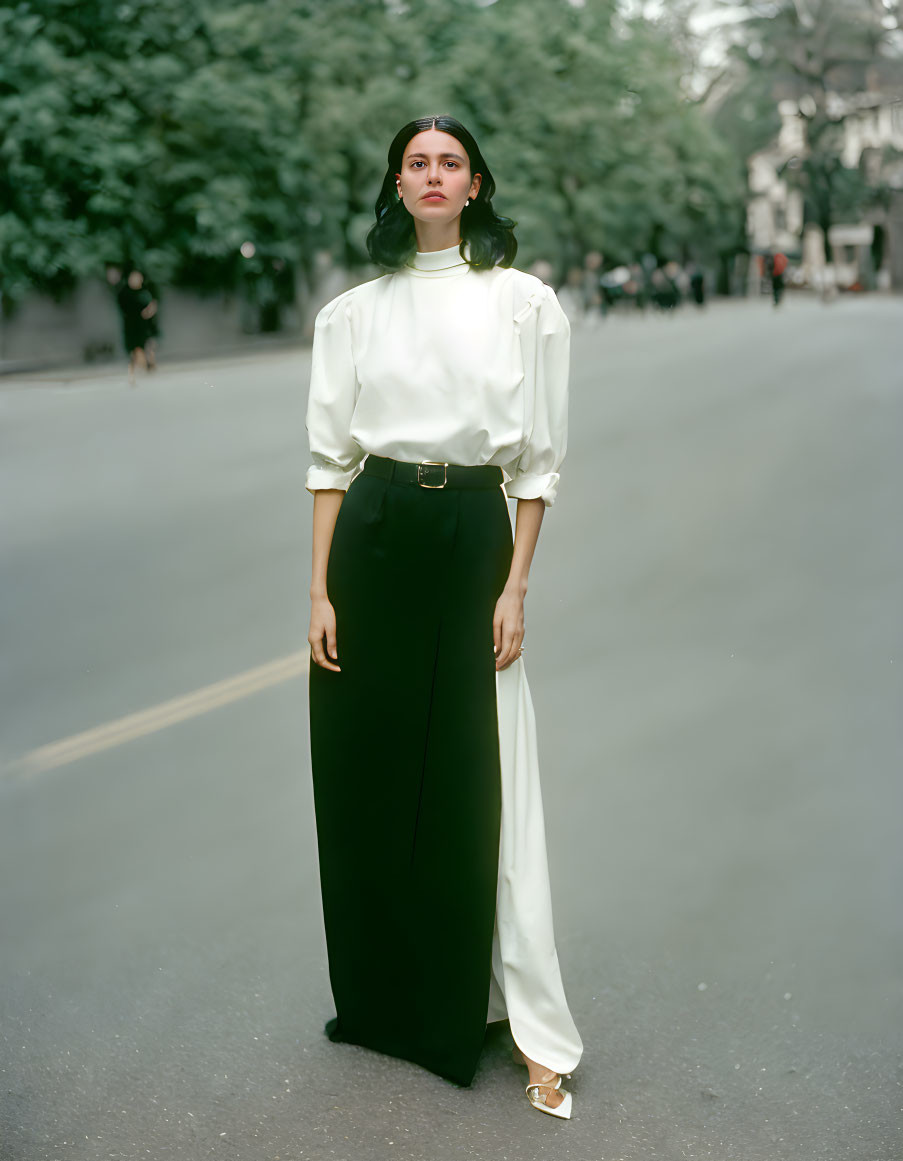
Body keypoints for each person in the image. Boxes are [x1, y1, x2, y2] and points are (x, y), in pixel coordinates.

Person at [304, 114, 582, 1119]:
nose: (431, 174)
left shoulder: (523, 304)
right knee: (367, 770)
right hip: (372, 533)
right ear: (395, 184)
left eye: (449, 162)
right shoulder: (352, 315)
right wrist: (319, 588)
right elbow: (329, 463)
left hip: (473, 532)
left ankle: (523, 1013)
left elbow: (538, 463)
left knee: (482, 771)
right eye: (414, 162)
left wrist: (514, 584)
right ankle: (387, 1001)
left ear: (476, 184)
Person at [115, 267, 159, 385]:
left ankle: (147, 366)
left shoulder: (146, 291)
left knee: (149, 345)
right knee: (136, 349)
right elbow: (125, 309)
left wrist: (151, 310)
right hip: (133, 326)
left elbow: (153, 304)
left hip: (147, 325)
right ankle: (135, 372)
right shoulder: (125, 293)